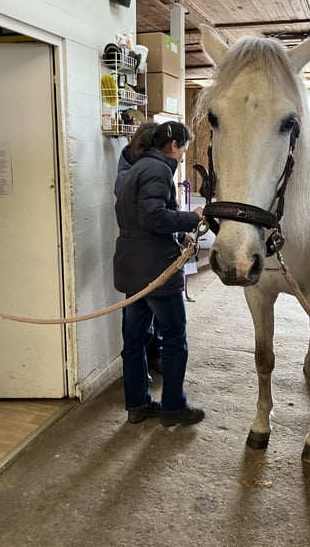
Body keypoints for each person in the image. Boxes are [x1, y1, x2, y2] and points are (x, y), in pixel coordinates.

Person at [113, 121, 205, 426]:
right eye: (184, 149)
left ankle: (137, 405)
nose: (183, 156)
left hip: (132, 267)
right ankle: (173, 408)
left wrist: (179, 235)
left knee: (134, 340)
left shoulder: (136, 168)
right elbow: (152, 217)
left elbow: (141, 218)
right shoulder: (158, 170)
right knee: (175, 338)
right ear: (174, 145)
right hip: (155, 270)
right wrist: (192, 218)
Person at [115, 123, 164, 373]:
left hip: (136, 257)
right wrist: (185, 223)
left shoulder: (131, 171)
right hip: (143, 258)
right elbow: (153, 217)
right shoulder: (138, 176)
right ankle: (137, 377)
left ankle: (152, 358)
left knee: (142, 319)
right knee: (139, 323)